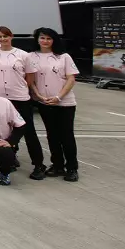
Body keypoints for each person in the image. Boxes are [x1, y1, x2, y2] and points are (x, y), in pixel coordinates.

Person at [0, 26, 46, 179]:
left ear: (11, 36)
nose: (2, 39)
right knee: (4, 130)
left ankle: (38, 164)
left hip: (19, 97)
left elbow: (30, 77)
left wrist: (22, 88)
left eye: (5, 36)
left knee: (28, 131)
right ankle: (10, 159)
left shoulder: (23, 55)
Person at [28, 27, 80, 182]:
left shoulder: (63, 57)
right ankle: (57, 165)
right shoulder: (31, 56)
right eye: (42, 38)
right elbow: (31, 80)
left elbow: (71, 79)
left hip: (65, 103)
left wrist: (59, 96)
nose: (45, 41)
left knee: (66, 136)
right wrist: (37, 95)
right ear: (37, 39)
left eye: (49, 38)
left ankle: (72, 168)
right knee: (52, 135)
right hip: (44, 102)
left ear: (54, 40)